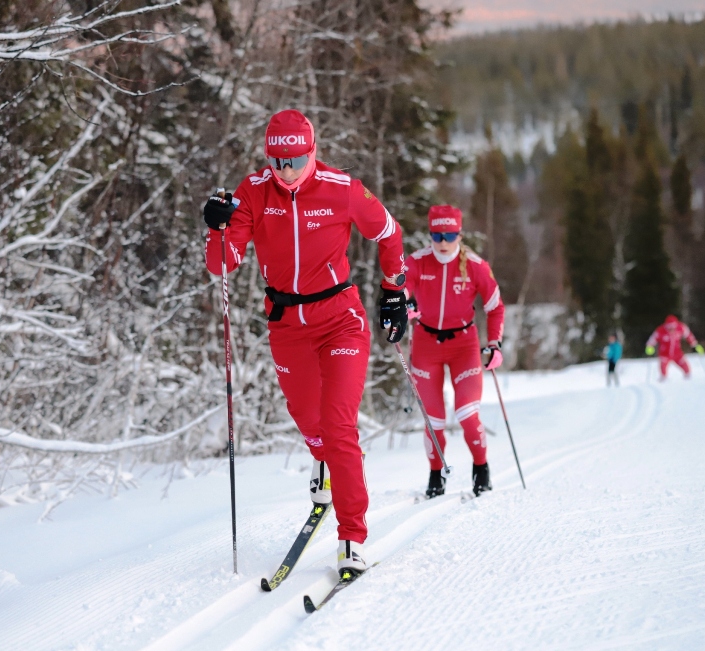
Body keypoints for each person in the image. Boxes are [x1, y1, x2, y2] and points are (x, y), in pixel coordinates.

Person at [202, 110, 408, 576]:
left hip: (340, 318)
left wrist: (394, 292)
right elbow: (223, 264)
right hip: (287, 321)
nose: (287, 170)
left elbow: (389, 233)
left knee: (339, 427)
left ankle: (352, 537)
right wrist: (216, 227)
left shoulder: (342, 189)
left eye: (296, 159)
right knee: (308, 419)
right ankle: (322, 461)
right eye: (277, 160)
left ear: (313, 151)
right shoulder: (254, 190)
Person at [403, 205, 504, 499]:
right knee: (433, 419)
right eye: (436, 235)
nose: (443, 242)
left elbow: (495, 306)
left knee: (466, 412)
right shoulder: (417, 261)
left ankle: (481, 469)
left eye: (449, 234)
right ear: (430, 234)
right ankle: (436, 474)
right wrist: (404, 305)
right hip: (425, 344)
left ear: (459, 233)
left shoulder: (475, 265)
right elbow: (401, 290)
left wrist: (495, 343)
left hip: (464, 345)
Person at [645, 314, 703, 380]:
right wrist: (649, 346)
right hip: (664, 353)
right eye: (669, 327)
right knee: (663, 369)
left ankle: (688, 379)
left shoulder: (681, 328)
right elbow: (653, 338)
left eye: (673, 327)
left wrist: (695, 345)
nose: (671, 329)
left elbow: (689, 335)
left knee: (686, 368)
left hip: (677, 353)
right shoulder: (660, 330)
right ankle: (664, 380)